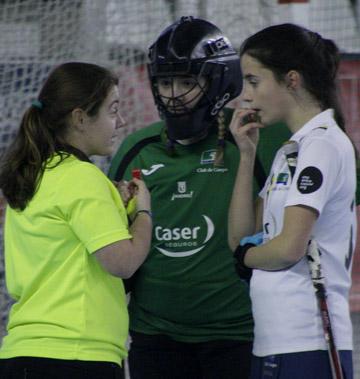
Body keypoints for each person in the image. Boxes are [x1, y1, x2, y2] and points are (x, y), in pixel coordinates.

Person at [109, 16, 291, 379]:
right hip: (154, 337)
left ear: (219, 81)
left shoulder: (261, 136)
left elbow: (342, 176)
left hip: (239, 336)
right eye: (164, 82)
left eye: (187, 81)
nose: (173, 94)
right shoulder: (137, 148)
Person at [0, 62, 152, 378]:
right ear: (80, 118)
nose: (122, 121)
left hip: (22, 354)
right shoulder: (83, 177)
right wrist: (143, 214)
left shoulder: (33, 175)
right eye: (113, 111)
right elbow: (122, 263)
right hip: (74, 356)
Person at [228, 23, 357, 379]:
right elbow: (241, 236)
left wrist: (246, 258)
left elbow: (287, 248)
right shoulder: (292, 149)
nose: (246, 96)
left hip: (308, 344)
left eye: (254, 81)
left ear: (292, 80)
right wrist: (246, 155)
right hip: (275, 343)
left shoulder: (321, 145)